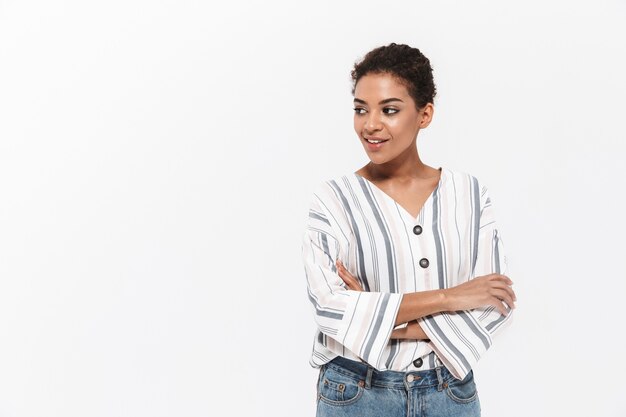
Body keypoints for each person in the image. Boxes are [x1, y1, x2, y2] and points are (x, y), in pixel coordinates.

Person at [301, 43, 516, 417]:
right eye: (360, 110)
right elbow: (331, 309)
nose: (370, 124)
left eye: (389, 110)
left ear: (425, 114)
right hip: (356, 393)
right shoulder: (334, 200)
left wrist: (377, 319)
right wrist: (451, 298)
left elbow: (494, 305)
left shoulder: (469, 194)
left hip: (450, 394)